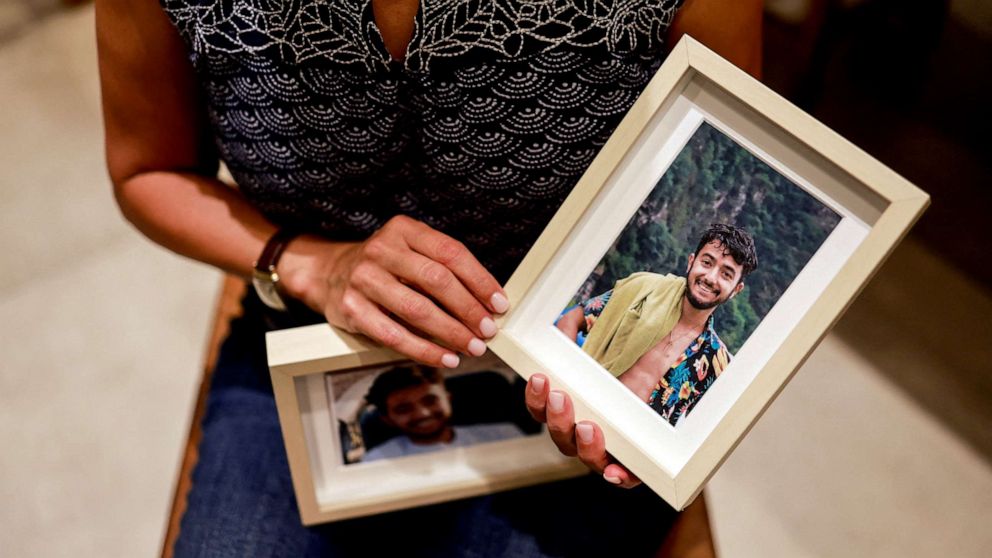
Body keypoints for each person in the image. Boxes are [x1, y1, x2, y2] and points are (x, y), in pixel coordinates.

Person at [97, 0, 763, 554]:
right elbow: (147, 170)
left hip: (574, 388)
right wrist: (310, 263)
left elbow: (736, 160)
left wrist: (621, 389)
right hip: (310, 344)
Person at [557, 223, 758, 425]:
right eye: (707, 262)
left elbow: (701, 430)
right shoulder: (644, 290)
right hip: (580, 407)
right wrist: (565, 383)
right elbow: (571, 320)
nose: (711, 278)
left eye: (726, 274)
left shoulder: (717, 363)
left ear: (736, 290)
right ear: (691, 262)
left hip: (629, 448)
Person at [361, 365, 523, 462]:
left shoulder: (504, 435)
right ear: (387, 419)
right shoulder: (377, 461)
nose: (423, 413)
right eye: (404, 409)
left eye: (430, 400)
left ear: (448, 399)